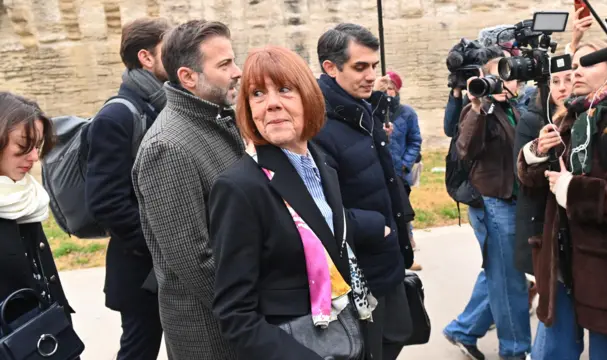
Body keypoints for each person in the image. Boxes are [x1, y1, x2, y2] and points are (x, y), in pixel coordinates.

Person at [210, 45, 376, 360]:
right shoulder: (240, 187)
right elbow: (235, 315)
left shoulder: (321, 163)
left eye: (285, 90)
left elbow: (337, 246)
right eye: (257, 94)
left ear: (309, 98)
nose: (271, 104)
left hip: (349, 335)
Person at [518, 41, 607, 360]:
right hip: (567, 260)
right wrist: (536, 154)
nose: (575, 70)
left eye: (586, 62)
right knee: (558, 349)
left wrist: (571, 189)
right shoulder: (572, 119)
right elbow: (538, 185)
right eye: (573, 64)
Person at [131, 20, 244, 360]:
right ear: (188, 77)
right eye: (224, 64)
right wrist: (251, 314)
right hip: (213, 333)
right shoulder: (168, 146)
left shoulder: (215, 119)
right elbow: (195, 260)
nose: (238, 72)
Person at [314, 23, 413, 360]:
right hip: (357, 269)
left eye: (374, 65)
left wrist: (403, 224)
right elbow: (314, 210)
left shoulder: (362, 108)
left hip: (387, 256)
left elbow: (383, 175)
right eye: (360, 67)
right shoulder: (317, 124)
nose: (372, 75)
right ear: (330, 67)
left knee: (399, 334)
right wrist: (377, 227)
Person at [84, 17, 170, 360]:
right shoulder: (118, 116)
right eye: (169, 50)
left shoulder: (161, 105)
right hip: (140, 270)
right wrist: (160, 245)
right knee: (139, 351)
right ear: (146, 57)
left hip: (167, 264)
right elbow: (106, 202)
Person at [443, 58, 531, 360]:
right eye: (497, 77)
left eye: (510, 76)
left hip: (514, 201)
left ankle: (463, 330)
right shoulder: (479, 110)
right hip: (494, 204)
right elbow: (465, 147)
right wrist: (478, 105)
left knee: (500, 275)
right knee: (510, 282)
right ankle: (515, 351)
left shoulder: (514, 108)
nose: (506, 82)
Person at [0, 92, 74, 333]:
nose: (34, 157)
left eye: (37, 146)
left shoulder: (24, 195)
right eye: (23, 146)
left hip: (45, 336)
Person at [512, 69, 571, 288]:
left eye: (568, 79)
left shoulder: (586, 116)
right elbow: (521, 176)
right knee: (555, 305)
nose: (562, 87)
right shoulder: (533, 120)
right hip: (544, 223)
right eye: (555, 81)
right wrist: (537, 153)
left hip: (576, 224)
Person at [377, 70, 423, 271]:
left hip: (399, 171)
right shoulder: (372, 112)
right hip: (378, 171)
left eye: (391, 89)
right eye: (383, 89)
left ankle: (408, 248)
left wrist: (405, 164)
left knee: (402, 210)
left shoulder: (407, 113)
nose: (388, 93)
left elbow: (414, 141)